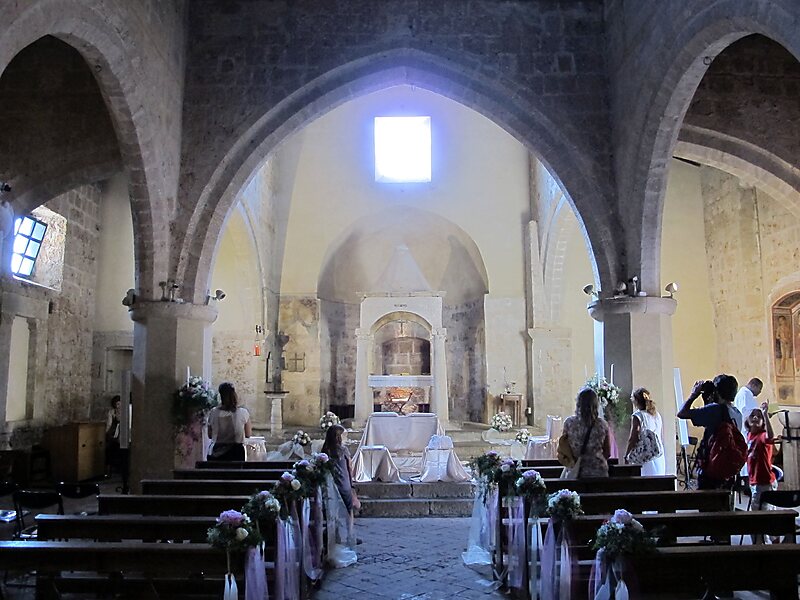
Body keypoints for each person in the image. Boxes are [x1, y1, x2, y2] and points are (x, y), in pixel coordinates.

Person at [677, 374, 743, 490]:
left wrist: (694, 394)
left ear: (717, 391)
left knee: (708, 504)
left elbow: (682, 413)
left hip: (711, 469)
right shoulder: (737, 412)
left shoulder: (715, 409)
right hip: (728, 468)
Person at [746, 403, 779, 537]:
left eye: (758, 417)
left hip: (764, 481)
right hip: (754, 480)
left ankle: (764, 543)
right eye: (752, 415)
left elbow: (771, 437)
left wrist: (765, 415)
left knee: (761, 515)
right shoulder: (749, 435)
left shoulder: (763, 435)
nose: (755, 418)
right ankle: (769, 539)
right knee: (762, 513)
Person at [561, 387, 611, 478]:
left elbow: (563, 448)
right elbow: (607, 452)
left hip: (576, 471)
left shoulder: (569, 423)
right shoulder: (602, 425)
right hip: (598, 473)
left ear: (578, 403)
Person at [624, 387, 665, 476]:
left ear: (636, 401)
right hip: (658, 453)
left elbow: (633, 437)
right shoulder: (656, 415)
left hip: (645, 455)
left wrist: (627, 455)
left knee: (645, 481)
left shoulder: (638, 416)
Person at [206, 382, 251, 461]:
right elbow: (248, 434)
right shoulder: (243, 412)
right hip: (236, 453)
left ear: (220, 395)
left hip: (217, 453)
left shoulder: (213, 412)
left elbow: (210, 435)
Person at [321, 423, 357, 515]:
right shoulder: (343, 450)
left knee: (332, 510)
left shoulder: (325, 450)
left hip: (331, 484)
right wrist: (351, 484)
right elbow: (349, 467)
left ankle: (334, 528)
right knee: (349, 510)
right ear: (338, 437)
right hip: (344, 483)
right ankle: (349, 528)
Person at [105, 395, 121, 476]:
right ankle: (109, 469)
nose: (118, 406)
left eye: (119, 404)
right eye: (117, 404)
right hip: (114, 434)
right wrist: (106, 433)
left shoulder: (125, 412)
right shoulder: (112, 412)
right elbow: (109, 424)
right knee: (110, 450)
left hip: (122, 434)